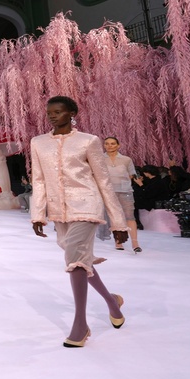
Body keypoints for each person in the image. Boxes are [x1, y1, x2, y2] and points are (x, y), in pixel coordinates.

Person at [30, 96, 127, 348]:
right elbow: (39, 180)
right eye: (49, 112)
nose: (52, 116)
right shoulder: (38, 143)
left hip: (86, 204)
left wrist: (118, 223)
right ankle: (111, 301)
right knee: (79, 259)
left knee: (74, 258)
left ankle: (80, 325)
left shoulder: (88, 141)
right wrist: (37, 213)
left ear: (72, 113)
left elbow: (103, 181)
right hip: (58, 211)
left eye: (58, 112)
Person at [102, 137, 141, 253]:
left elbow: (131, 174)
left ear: (118, 145)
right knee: (114, 217)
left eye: (113, 144)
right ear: (104, 146)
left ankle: (135, 243)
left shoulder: (126, 160)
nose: (110, 146)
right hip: (108, 192)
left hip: (125, 191)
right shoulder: (100, 159)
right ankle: (118, 241)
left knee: (129, 216)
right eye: (107, 144)